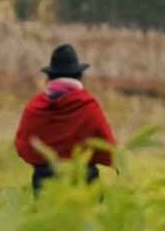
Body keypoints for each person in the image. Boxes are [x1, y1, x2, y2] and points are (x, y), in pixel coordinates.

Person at [14, 44, 115, 190]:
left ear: (50, 77)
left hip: (45, 183)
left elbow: (22, 145)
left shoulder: (34, 106)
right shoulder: (88, 105)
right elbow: (107, 145)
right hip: (83, 180)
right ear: (79, 76)